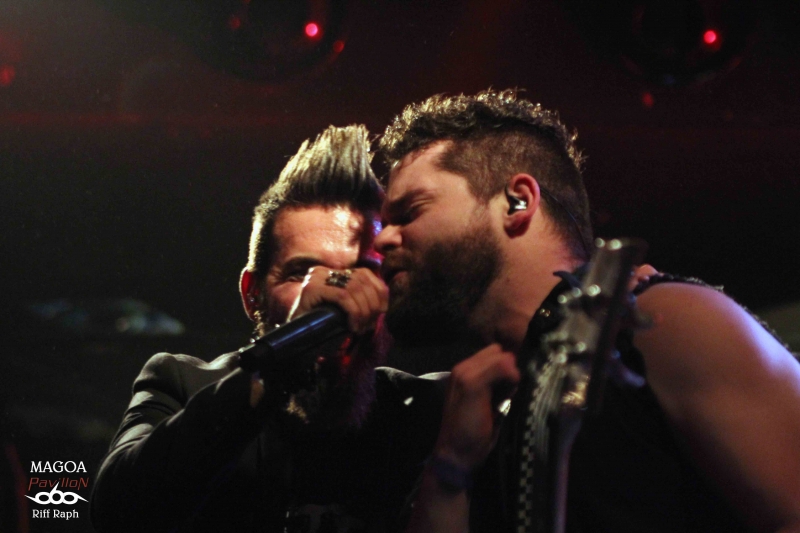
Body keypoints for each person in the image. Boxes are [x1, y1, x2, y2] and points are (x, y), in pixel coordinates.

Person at [373, 89, 800, 533]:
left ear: (517, 202)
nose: (383, 239)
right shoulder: (476, 416)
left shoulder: (662, 320)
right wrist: (449, 470)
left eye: (409, 212)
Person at [90, 125, 447, 533]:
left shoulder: (432, 410)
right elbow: (117, 512)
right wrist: (282, 365)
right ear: (252, 294)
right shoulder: (181, 384)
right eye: (302, 272)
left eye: (362, 273)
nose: (336, 293)